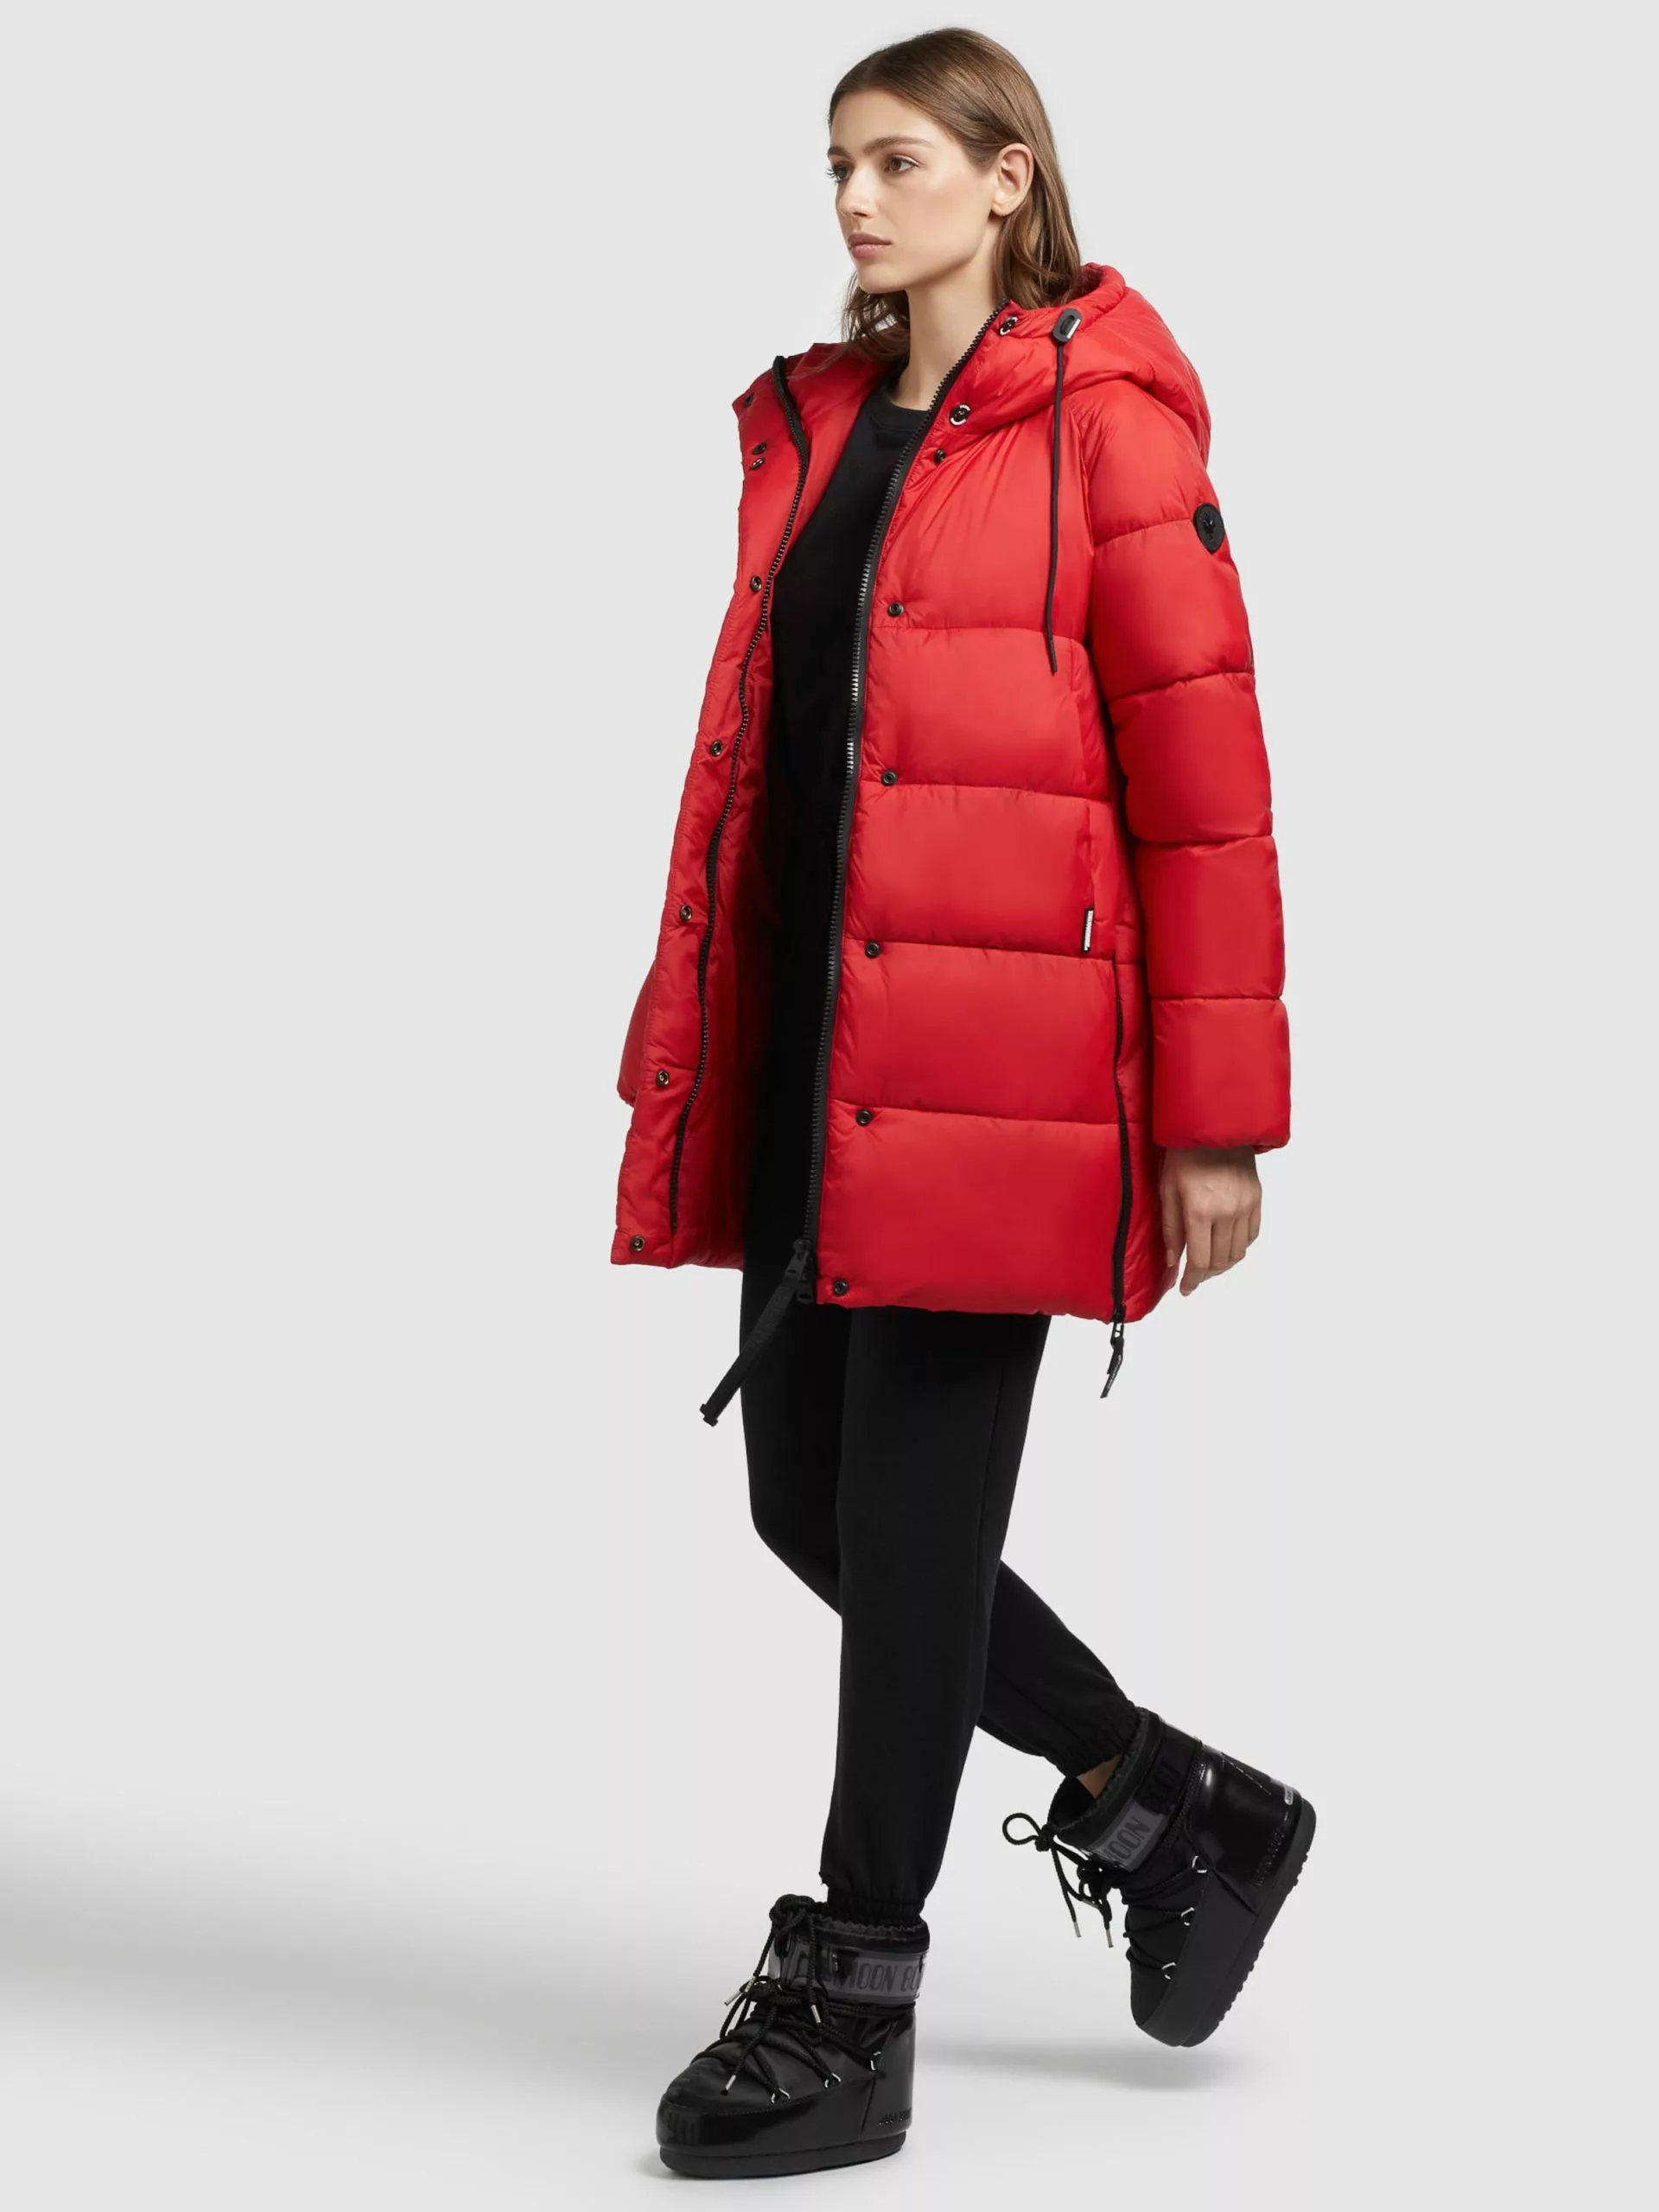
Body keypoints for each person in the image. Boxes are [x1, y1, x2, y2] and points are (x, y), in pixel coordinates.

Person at [611, 29, 1313, 2180]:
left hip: (1004, 1067)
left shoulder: (1105, 420)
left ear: (1010, 178)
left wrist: (1215, 1115)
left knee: (909, 1523)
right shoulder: (827, 420)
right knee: (808, 1505)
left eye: (899, 160)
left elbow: (1204, 779)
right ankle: (1171, 1801)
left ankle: (856, 1985)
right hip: (825, 1052)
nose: (856, 198)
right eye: (838, 163)